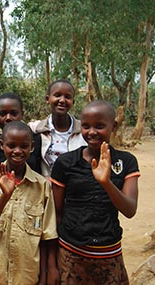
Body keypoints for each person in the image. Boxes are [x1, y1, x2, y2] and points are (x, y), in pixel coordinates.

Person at [51, 100, 140, 284]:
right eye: (86, 126)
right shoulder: (66, 163)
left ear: (113, 126)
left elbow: (130, 210)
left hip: (108, 253)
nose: (91, 132)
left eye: (99, 126)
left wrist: (106, 182)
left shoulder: (126, 162)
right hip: (71, 254)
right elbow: (56, 214)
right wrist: (52, 263)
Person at [0, 121, 58, 284]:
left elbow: (47, 237)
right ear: (2, 145)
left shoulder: (42, 186)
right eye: (11, 145)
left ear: (32, 147)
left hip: (27, 276)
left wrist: (44, 277)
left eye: (24, 146)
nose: (17, 151)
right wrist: (5, 197)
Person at [28, 79, 86, 178]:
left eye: (67, 97)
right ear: (47, 99)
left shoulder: (84, 131)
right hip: (46, 188)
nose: (62, 100)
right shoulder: (36, 128)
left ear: (73, 102)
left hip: (74, 187)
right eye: (57, 95)